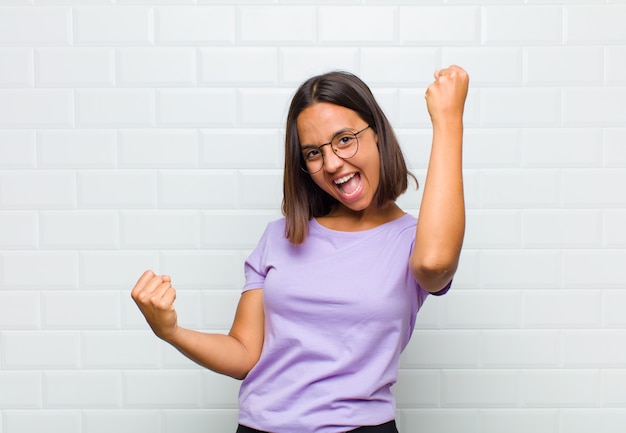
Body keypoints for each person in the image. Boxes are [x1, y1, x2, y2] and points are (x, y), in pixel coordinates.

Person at [131, 65, 469, 433]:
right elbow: (244, 355)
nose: (332, 164)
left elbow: (435, 263)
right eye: (313, 153)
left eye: (344, 139)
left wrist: (448, 120)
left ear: (377, 134)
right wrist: (171, 331)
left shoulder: (413, 241)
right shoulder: (279, 238)